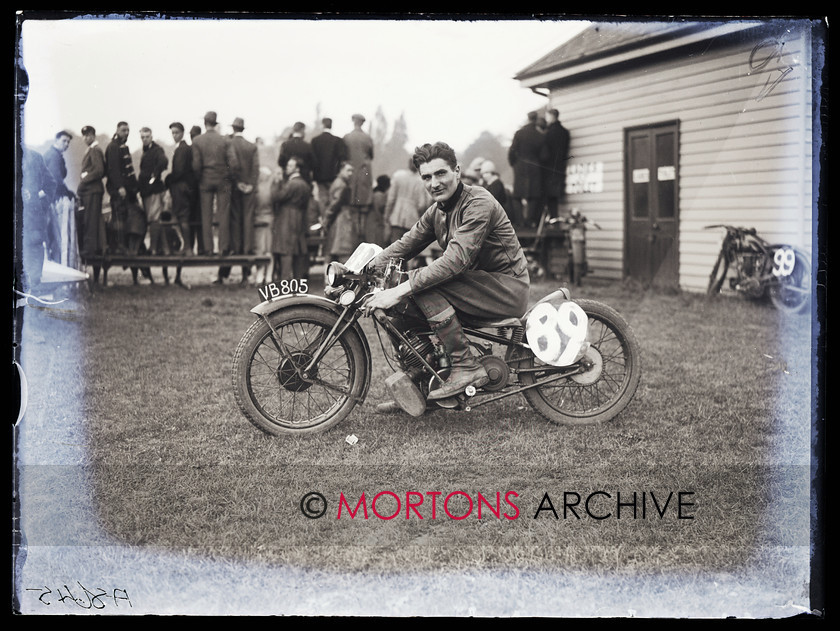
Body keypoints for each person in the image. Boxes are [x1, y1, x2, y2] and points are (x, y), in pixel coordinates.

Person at [364, 141, 530, 408]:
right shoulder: (437, 211)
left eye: (441, 173)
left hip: (505, 289)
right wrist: (362, 269)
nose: (434, 183)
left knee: (420, 285)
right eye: (427, 177)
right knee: (403, 292)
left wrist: (398, 290)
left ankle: (466, 366)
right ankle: (422, 376)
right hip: (477, 287)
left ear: (458, 171)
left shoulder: (478, 203)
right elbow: (405, 245)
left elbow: (454, 262)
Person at [218, 116, 260, 285]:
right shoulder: (252, 146)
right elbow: (256, 169)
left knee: (235, 221)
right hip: (249, 189)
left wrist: (239, 184)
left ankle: (236, 249)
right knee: (248, 220)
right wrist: (250, 185)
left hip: (235, 188)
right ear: (243, 129)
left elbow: (230, 166)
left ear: (233, 128)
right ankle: (247, 255)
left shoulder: (229, 144)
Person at [192, 111, 239, 255]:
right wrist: (228, 176)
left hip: (205, 180)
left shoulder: (197, 141)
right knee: (223, 214)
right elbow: (234, 163)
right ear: (216, 123)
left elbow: (196, 165)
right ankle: (223, 247)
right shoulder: (225, 140)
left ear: (204, 123)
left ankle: (208, 248)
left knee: (206, 215)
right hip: (222, 180)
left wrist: (200, 177)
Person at [20, 147, 58, 294]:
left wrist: (38, 203)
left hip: (32, 221)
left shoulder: (35, 157)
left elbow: (51, 184)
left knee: (33, 255)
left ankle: (32, 296)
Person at [270, 157, 312, 283]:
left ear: (297, 168)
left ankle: (285, 282)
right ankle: (298, 284)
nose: (287, 168)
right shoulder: (305, 185)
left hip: (286, 220)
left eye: (290, 166)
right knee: (297, 252)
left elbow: (276, 197)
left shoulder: (291, 184)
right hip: (299, 219)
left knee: (285, 252)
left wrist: (276, 183)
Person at [76, 126, 108, 286]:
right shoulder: (91, 150)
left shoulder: (95, 150)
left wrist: (84, 178)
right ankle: (91, 248)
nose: (85, 138)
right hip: (90, 191)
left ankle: (91, 249)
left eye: (87, 135)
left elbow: (99, 171)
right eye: (84, 135)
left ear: (92, 136)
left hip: (93, 191)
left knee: (92, 221)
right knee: (89, 220)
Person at [508, 110, 548, 227]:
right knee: (533, 195)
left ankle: (520, 221)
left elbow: (512, 151)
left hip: (520, 167)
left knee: (517, 195)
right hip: (535, 168)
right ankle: (529, 221)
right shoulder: (540, 135)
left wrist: (514, 164)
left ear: (528, 118)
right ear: (535, 120)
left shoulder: (519, 133)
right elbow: (544, 155)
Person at [138, 127, 169, 255]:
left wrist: (154, 177)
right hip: (147, 190)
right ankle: (165, 249)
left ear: (151, 137)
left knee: (154, 219)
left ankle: (154, 248)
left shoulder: (156, 149)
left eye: (147, 137)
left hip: (153, 190)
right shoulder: (146, 150)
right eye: (142, 137)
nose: (145, 139)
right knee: (154, 220)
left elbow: (164, 161)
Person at [166, 122, 195, 255]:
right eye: (172, 133)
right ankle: (187, 247)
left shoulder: (182, 149)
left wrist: (168, 180)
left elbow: (179, 171)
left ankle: (188, 248)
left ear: (182, 133)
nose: (174, 135)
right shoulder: (183, 148)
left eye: (176, 132)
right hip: (183, 187)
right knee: (183, 217)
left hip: (181, 188)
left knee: (183, 217)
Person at [322, 161, 358, 263]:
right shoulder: (341, 184)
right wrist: (327, 218)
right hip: (342, 218)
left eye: (352, 171)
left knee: (334, 248)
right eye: (348, 170)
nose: (350, 173)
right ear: (341, 170)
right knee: (343, 248)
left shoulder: (339, 182)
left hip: (339, 218)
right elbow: (335, 203)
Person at [310, 117, 348, 212]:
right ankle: (331, 222)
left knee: (323, 200)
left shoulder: (315, 141)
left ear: (322, 125)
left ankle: (324, 221)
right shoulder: (338, 141)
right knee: (334, 199)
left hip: (320, 177)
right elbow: (343, 158)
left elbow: (312, 160)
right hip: (334, 176)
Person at [542, 108, 571, 220]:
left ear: (551, 116)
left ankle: (552, 218)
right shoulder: (564, 132)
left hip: (549, 168)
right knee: (555, 195)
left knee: (549, 197)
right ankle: (554, 217)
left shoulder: (548, 133)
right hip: (560, 166)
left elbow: (545, 152)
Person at [343, 113, 374, 210]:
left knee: (350, 201)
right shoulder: (368, 138)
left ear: (353, 122)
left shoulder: (347, 137)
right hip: (363, 171)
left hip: (350, 171)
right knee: (364, 203)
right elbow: (371, 155)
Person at [252, 166, 275, 285]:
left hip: (258, 220)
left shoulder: (256, 190)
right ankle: (269, 277)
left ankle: (259, 276)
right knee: (269, 250)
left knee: (259, 249)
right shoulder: (271, 190)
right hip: (270, 219)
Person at [366, 174, 390, 246]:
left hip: (371, 222)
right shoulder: (380, 195)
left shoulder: (374, 193)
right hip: (376, 224)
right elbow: (380, 210)